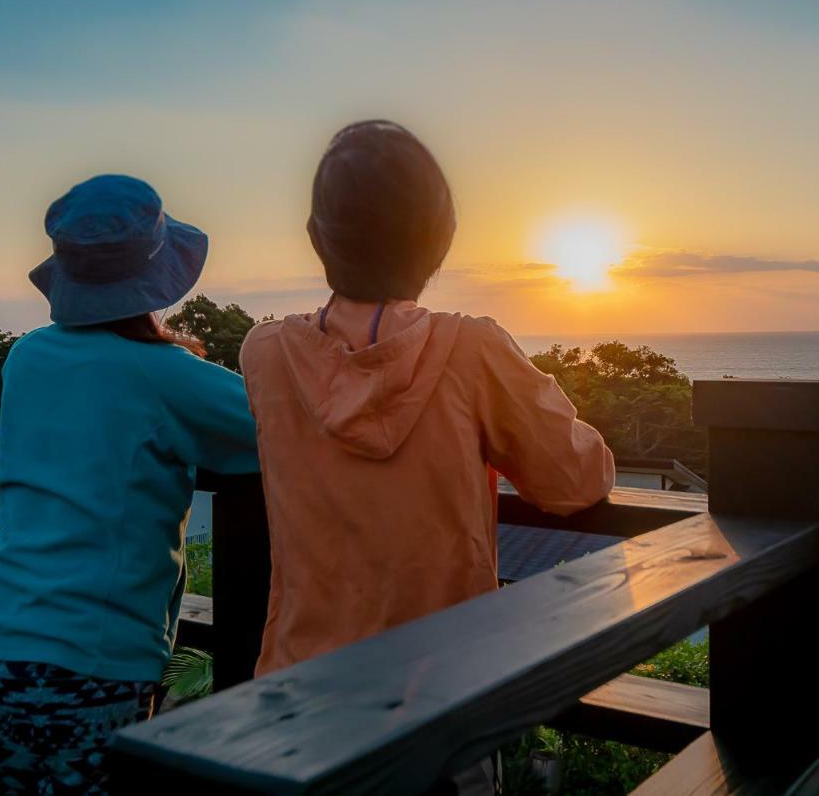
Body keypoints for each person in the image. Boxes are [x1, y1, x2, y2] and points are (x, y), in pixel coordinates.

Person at [238, 121, 615, 793]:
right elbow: (575, 479)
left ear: (318, 236)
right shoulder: (470, 350)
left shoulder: (265, 354)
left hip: (299, 698)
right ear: (437, 238)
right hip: (442, 702)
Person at [0, 175, 259, 794]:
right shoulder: (166, 374)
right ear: (157, 280)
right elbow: (278, 427)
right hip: (89, 672)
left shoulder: (26, 357)